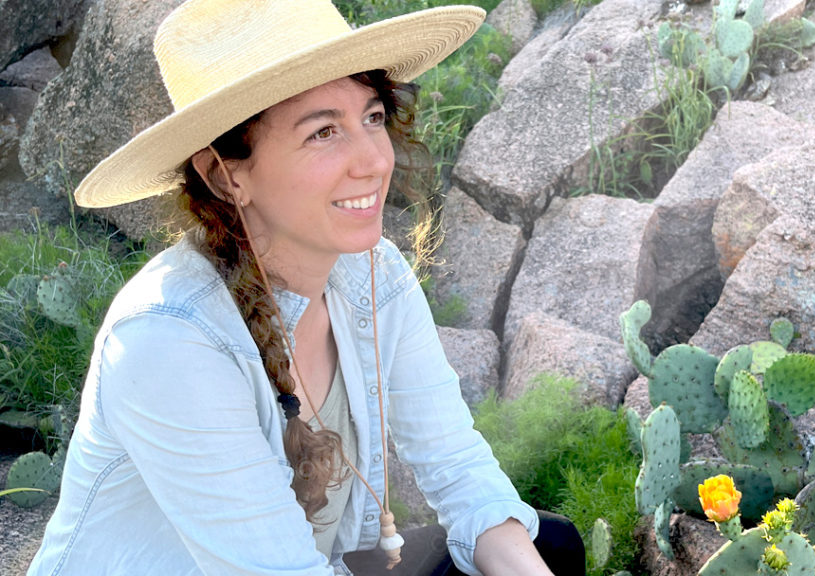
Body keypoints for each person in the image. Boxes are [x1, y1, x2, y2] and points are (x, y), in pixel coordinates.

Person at [26, 0, 584, 574]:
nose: (372, 160)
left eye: (371, 118)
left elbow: (457, 466)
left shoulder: (374, 274)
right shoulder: (168, 339)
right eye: (323, 132)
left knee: (547, 548)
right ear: (226, 174)